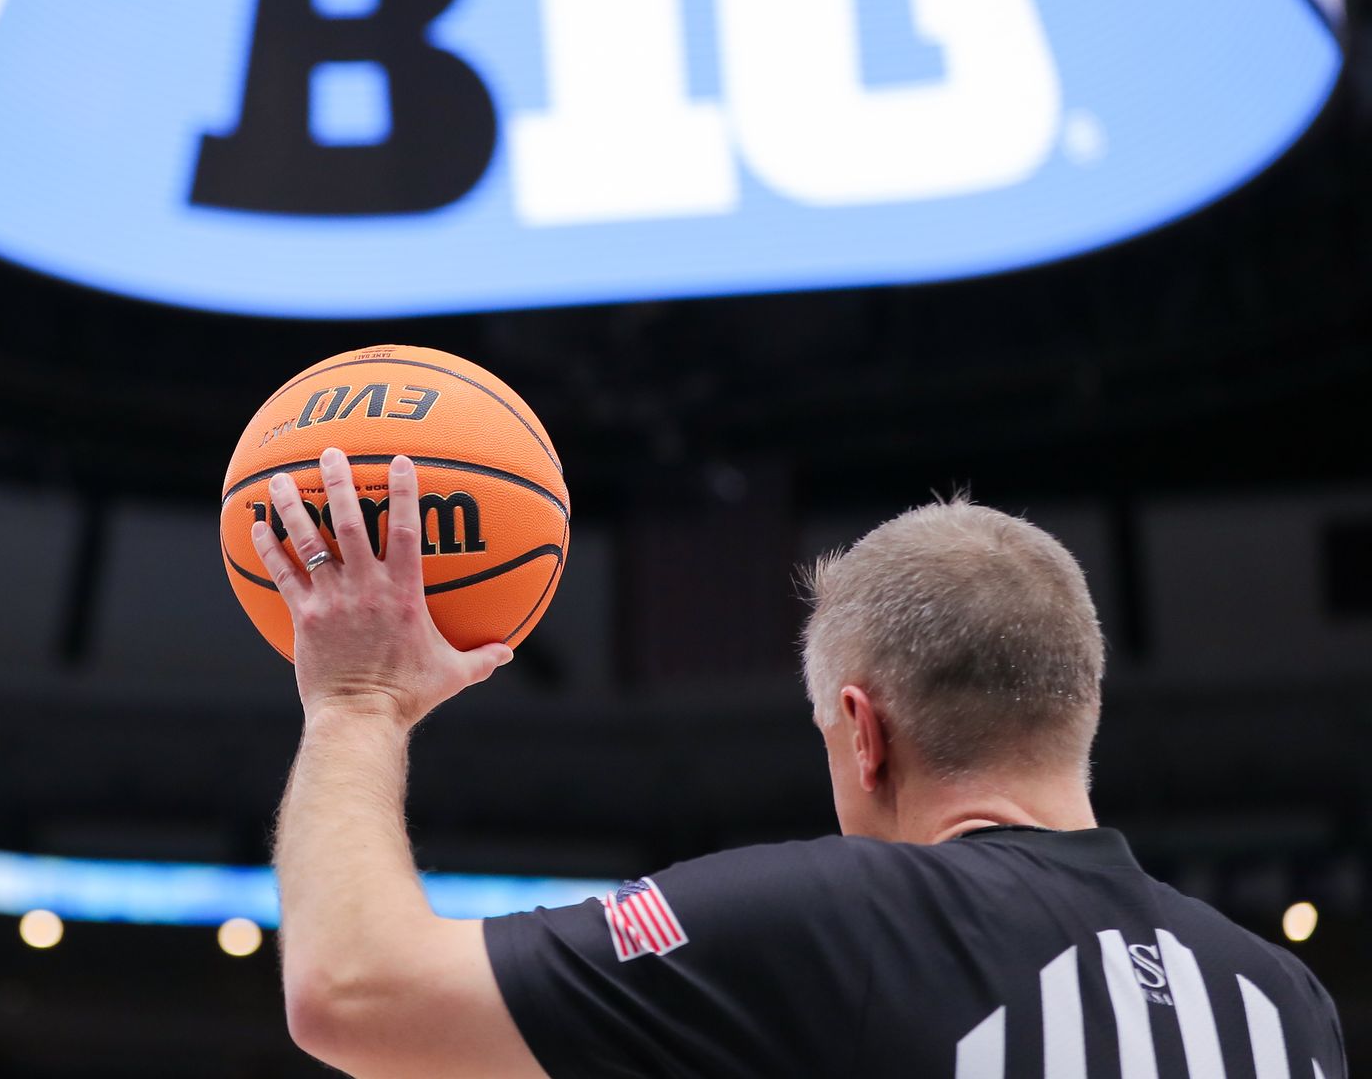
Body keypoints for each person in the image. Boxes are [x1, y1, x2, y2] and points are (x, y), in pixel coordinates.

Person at [250, 448, 1347, 1078]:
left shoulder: (836, 920)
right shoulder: (1286, 1002)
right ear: (1078, 708)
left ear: (863, 733)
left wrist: (358, 702)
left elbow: (354, 991)